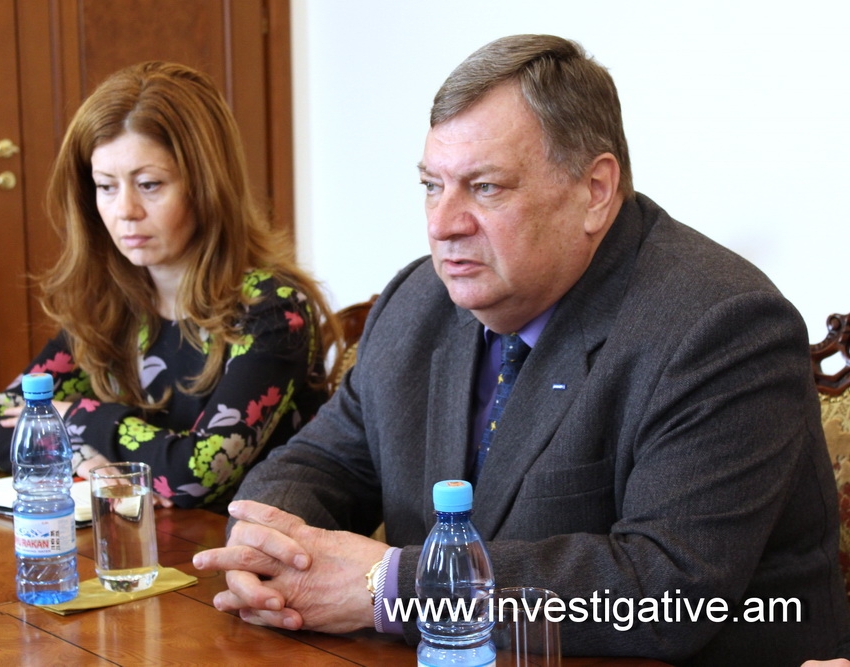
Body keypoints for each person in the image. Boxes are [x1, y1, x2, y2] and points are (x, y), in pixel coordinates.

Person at [192, 34, 850, 664]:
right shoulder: (419, 302)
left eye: (485, 187)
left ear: (594, 191)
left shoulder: (719, 327)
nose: (442, 224)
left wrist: (392, 586)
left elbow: (668, 590)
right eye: (431, 185)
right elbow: (322, 461)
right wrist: (269, 544)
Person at [0, 61, 339, 510]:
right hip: (152, 537)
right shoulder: (114, 301)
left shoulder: (273, 308)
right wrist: (81, 457)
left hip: (248, 544)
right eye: (106, 186)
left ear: (207, 186)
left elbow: (194, 475)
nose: (125, 210)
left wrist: (82, 420)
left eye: (149, 185)